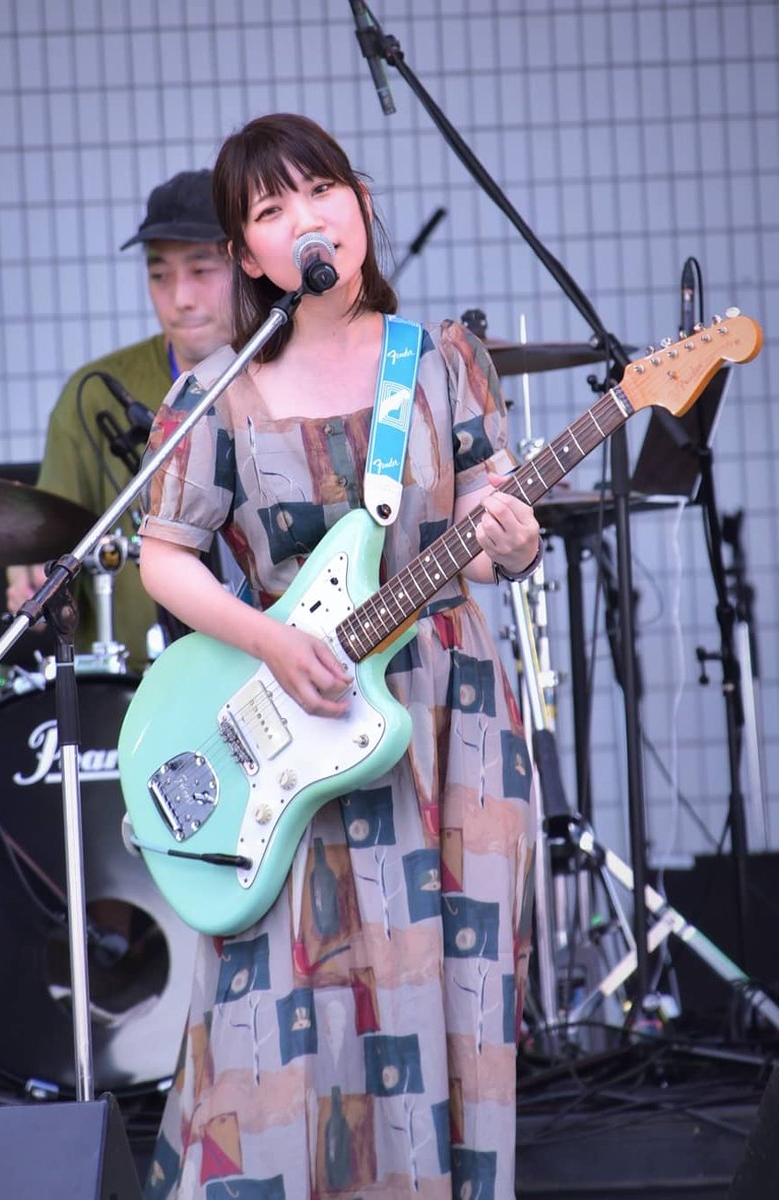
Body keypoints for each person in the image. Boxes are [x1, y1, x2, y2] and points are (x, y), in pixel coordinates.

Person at [136, 114, 541, 1200]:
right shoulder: (215, 391)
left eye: (322, 190)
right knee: (276, 1005)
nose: (308, 219)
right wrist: (272, 638)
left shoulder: (440, 361)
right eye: (273, 210)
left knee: (455, 991)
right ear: (248, 256)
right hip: (294, 720)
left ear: (359, 205)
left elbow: (492, 521)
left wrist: (512, 538)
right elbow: (164, 559)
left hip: (449, 717)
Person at [5, 169, 233, 666]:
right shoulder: (96, 394)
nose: (181, 297)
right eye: (159, 275)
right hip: (131, 688)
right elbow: (52, 541)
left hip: (282, 673)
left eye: (201, 269)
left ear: (247, 264)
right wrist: (31, 570)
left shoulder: (289, 377)